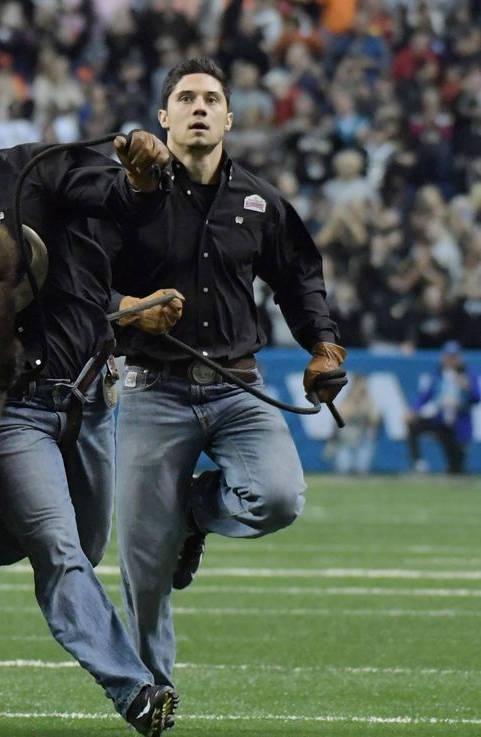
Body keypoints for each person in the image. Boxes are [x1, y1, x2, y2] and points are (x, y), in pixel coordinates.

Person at [0, 62, 179, 736]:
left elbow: (125, 201)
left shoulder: (36, 170)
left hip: (91, 395)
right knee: (61, 549)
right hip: (9, 411)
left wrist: (141, 172)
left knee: (90, 540)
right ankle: (135, 691)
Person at [108, 58, 346, 690]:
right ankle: (151, 690)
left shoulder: (259, 201)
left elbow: (299, 278)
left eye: (211, 98)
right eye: (185, 98)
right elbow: (87, 284)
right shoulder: (129, 197)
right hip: (150, 391)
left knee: (277, 499)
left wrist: (324, 346)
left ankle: (190, 512)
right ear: (163, 118)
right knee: (144, 562)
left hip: (240, 387)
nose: (199, 107)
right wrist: (125, 312)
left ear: (229, 118)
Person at [406, 341, 479, 474]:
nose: (451, 360)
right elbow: (424, 395)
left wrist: (467, 388)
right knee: (413, 425)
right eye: (448, 356)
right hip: (440, 421)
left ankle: (454, 470)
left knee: (456, 466)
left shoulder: (468, 374)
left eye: (454, 357)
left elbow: (477, 398)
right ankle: (418, 463)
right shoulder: (437, 374)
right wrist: (413, 409)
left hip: (458, 424)